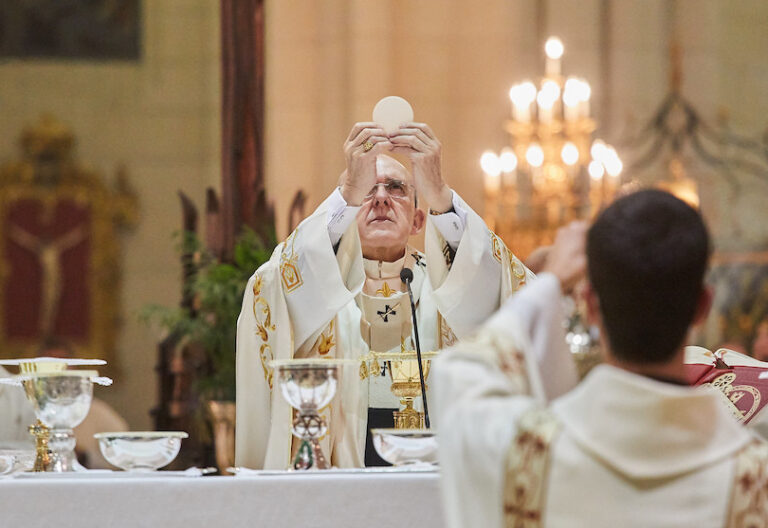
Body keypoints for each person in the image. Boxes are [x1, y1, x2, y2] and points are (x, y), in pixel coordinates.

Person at [435, 190, 768, 528]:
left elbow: (458, 375)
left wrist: (552, 280)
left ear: (590, 305)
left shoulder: (522, 455)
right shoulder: (755, 482)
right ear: (702, 308)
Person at [236, 121, 535, 469]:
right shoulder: (319, 286)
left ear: (419, 221)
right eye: (366, 190)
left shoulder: (451, 283)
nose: (380, 198)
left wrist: (438, 190)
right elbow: (267, 290)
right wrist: (348, 188)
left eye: (396, 188)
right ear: (346, 212)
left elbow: (515, 299)